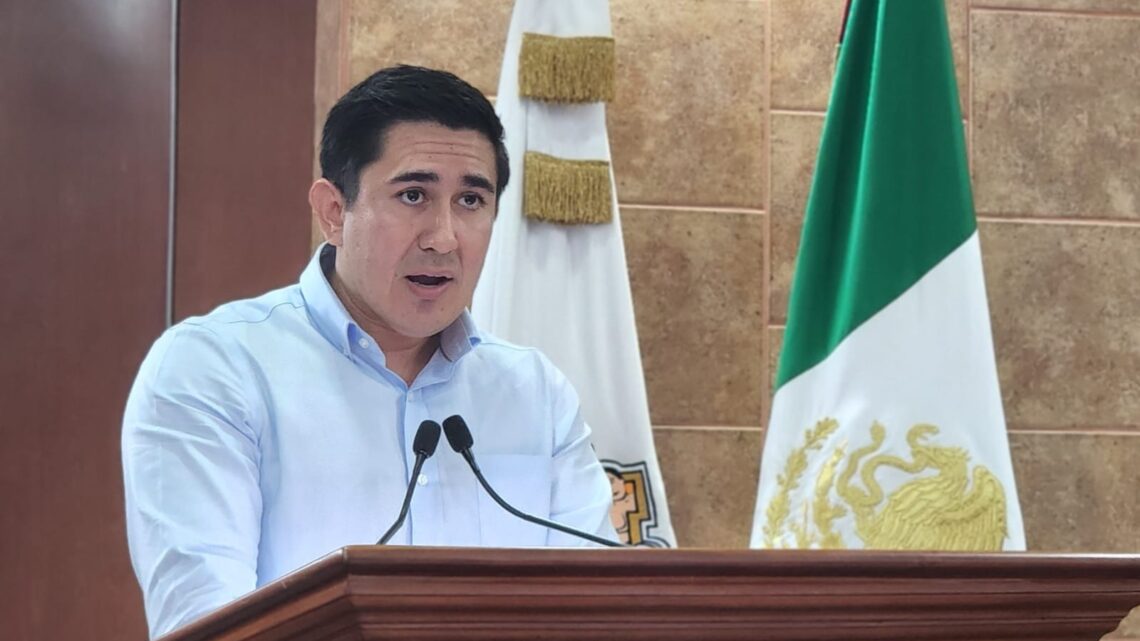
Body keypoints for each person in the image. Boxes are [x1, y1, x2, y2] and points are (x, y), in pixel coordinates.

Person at [121, 65, 617, 639]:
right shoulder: (215, 371)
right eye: (413, 195)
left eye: (471, 200)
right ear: (334, 212)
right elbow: (206, 623)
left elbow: (599, 610)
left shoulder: (535, 392)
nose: (444, 237)